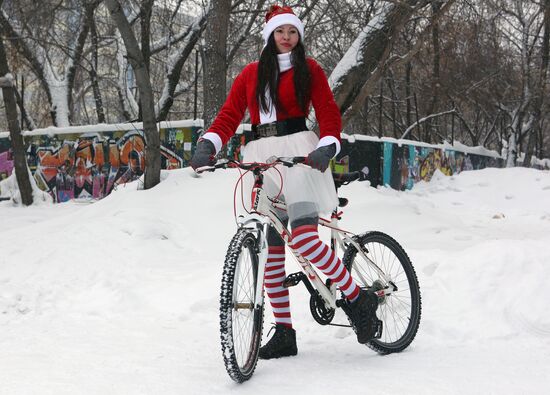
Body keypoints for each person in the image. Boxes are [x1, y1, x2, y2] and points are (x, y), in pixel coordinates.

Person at [191, 5, 381, 359]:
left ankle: (358, 299)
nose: (286, 37)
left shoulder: (309, 69)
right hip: (263, 159)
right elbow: (230, 114)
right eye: (281, 31)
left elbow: (326, 109)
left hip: (300, 157)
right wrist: (209, 143)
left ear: (298, 36)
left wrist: (328, 144)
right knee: (273, 250)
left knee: (306, 238)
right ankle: (285, 332)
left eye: (292, 32)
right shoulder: (250, 74)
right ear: (269, 36)